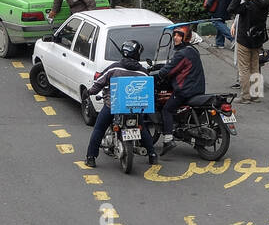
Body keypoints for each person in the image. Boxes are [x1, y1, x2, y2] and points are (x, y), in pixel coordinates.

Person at [83, 40, 152, 168]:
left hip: (113, 106)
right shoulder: (143, 72)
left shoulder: (114, 68)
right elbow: (149, 89)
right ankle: (152, 155)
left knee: (99, 128)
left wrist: (90, 92)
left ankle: (91, 157)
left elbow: (99, 82)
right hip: (134, 108)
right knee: (143, 129)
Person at [154, 26, 204, 153]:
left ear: (185, 38)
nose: (175, 37)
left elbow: (169, 70)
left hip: (185, 89)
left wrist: (157, 75)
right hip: (197, 88)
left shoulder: (182, 53)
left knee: (167, 109)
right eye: (175, 35)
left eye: (179, 35)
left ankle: (168, 139)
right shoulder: (192, 50)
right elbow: (176, 65)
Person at [229, 0, 269, 103]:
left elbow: (231, 8)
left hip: (244, 39)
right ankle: (256, 95)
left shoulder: (248, 4)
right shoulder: (266, 2)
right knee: (255, 67)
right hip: (257, 39)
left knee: (244, 69)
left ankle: (245, 96)